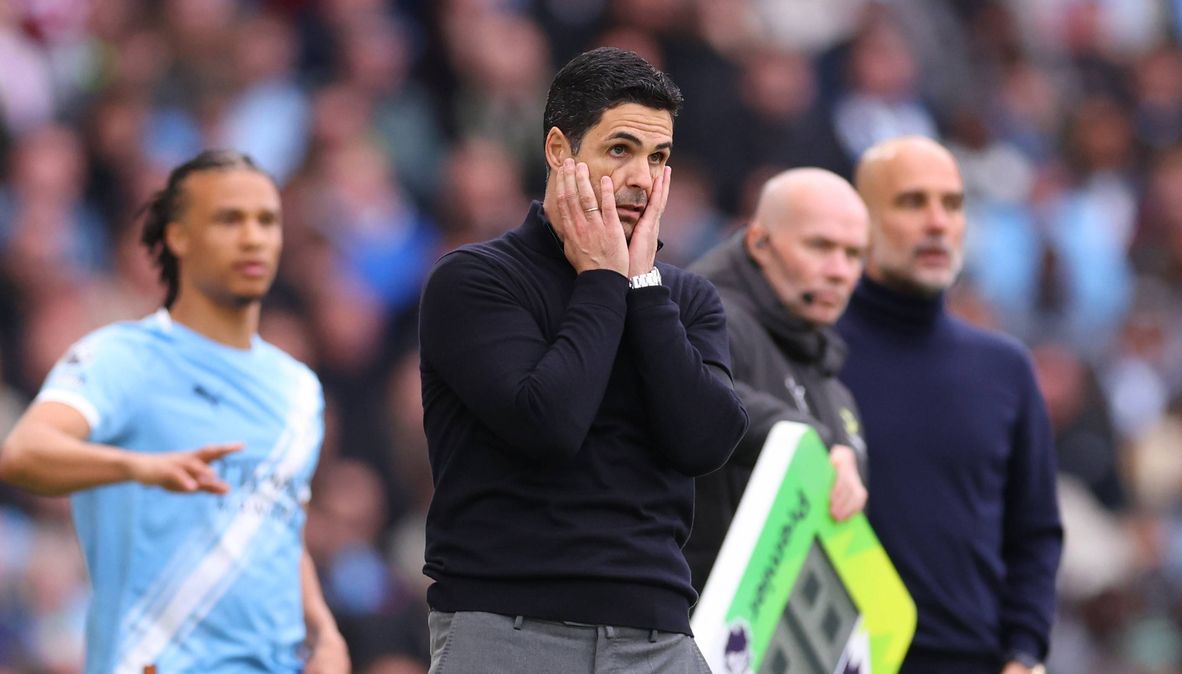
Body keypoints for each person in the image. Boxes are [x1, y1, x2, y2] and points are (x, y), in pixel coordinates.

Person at [418, 47, 748, 673]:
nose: (642, 179)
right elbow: (548, 423)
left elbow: (706, 441)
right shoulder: (475, 280)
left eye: (659, 158)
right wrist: (602, 279)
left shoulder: (684, 298)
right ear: (557, 151)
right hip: (507, 632)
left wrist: (641, 285)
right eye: (620, 149)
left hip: (659, 639)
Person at [0, 150, 349, 674]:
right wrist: (139, 467)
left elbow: (277, 520)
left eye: (267, 221)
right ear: (179, 237)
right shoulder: (120, 357)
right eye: (229, 220)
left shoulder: (299, 388)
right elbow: (23, 454)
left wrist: (324, 631)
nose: (253, 238)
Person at [838, 136, 1062, 674]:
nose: (938, 223)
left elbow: (1035, 533)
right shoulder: (812, 352)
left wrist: (1025, 651)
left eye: (953, 204)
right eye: (912, 202)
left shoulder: (1006, 368)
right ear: (861, 220)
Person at [686, 168, 870, 594]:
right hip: (692, 617)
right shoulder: (701, 319)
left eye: (854, 254)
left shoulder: (831, 380)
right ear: (759, 243)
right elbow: (700, 393)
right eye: (820, 246)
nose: (840, 271)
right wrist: (811, 442)